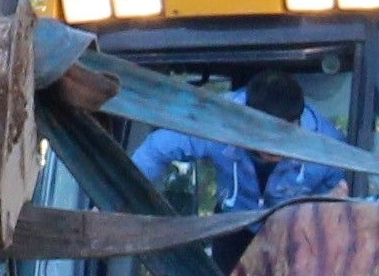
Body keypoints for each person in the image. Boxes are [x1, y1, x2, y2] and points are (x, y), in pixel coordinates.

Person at [131, 68, 355, 212]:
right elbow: (157, 148)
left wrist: (333, 202)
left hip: (294, 231)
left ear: (299, 121)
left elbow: (339, 192)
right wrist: (120, 196)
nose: (275, 147)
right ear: (246, 121)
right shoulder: (218, 121)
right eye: (266, 136)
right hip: (233, 224)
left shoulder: (327, 147)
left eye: (286, 134)